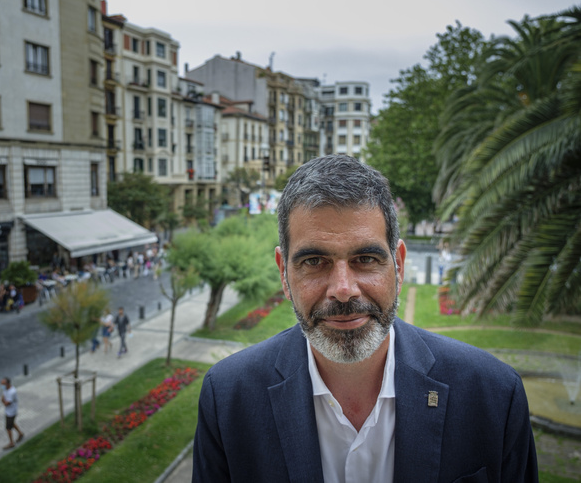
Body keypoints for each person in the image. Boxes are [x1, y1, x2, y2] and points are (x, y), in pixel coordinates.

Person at [192, 155, 538, 482]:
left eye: (366, 259)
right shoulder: (228, 399)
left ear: (398, 265)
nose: (343, 290)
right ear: (284, 273)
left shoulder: (493, 396)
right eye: (314, 261)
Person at [0, 376, 24, 450]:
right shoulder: (6, 389)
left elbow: (7, 403)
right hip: (8, 411)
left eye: (3, 384)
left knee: (8, 428)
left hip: (11, 411)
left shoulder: (12, 392)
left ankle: (11, 443)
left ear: (7, 384)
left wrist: (3, 401)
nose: (2, 386)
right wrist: (3, 400)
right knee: (12, 423)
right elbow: (3, 397)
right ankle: (20, 433)